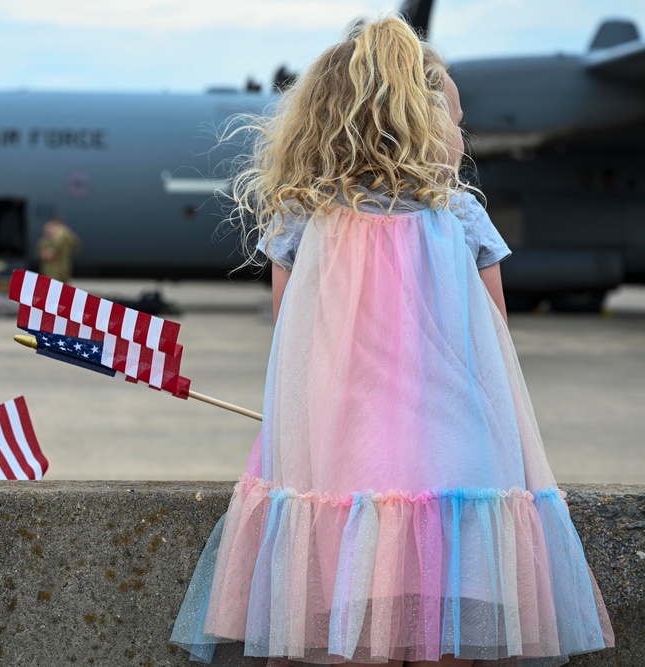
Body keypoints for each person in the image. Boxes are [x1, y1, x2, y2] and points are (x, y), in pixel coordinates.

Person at [171, 16, 613, 667]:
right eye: (455, 118)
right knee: (452, 632)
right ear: (419, 120)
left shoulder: (303, 217)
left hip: (347, 454)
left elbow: (292, 339)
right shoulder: (461, 215)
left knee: (348, 633)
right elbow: (495, 335)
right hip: (457, 455)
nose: (463, 134)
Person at [38, 216, 81, 283]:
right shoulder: (44, 240)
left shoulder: (63, 235)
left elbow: (74, 245)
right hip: (51, 268)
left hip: (61, 266)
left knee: (61, 284)